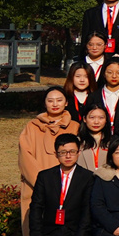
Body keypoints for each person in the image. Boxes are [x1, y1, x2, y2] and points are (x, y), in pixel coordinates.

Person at [17, 87, 79, 221]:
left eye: (59, 100)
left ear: (66, 103)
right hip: (36, 187)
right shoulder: (32, 126)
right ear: (45, 103)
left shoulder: (75, 127)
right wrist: (43, 185)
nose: (55, 104)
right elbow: (25, 158)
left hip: (67, 188)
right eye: (50, 101)